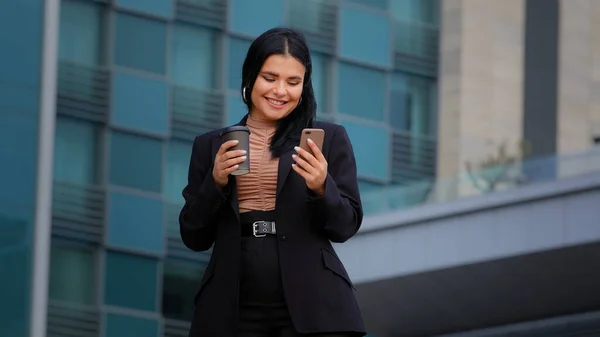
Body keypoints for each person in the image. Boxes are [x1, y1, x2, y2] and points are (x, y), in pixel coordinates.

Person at [179, 27, 366, 337]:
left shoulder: (329, 139)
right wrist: (215, 182)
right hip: (232, 309)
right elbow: (193, 236)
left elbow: (345, 226)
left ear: (304, 86)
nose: (281, 91)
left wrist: (323, 186)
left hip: (314, 306)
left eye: (293, 82)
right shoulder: (209, 145)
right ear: (250, 77)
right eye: (270, 78)